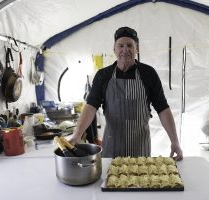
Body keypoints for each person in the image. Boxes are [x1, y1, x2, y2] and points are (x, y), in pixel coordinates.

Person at [70, 26, 183, 160]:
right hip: (112, 148)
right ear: (114, 49)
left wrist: (175, 141)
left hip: (140, 149)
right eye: (120, 45)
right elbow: (90, 107)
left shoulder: (148, 74)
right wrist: (77, 135)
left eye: (130, 45)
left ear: (137, 48)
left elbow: (163, 108)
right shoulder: (103, 75)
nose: (125, 50)